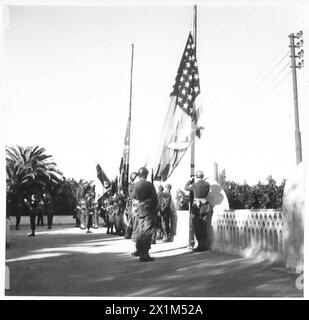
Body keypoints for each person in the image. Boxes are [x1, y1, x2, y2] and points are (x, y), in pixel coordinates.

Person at [132, 167, 158, 262]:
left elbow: (133, 197)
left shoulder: (135, 185)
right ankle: (145, 254)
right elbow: (155, 199)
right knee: (147, 232)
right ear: (146, 175)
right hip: (148, 210)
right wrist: (154, 208)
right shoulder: (149, 185)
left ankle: (139, 250)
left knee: (140, 231)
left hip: (139, 210)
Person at [184, 170, 212, 251]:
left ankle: (200, 245)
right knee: (204, 226)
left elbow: (185, 188)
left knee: (197, 226)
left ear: (196, 176)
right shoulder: (207, 184)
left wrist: (190, 180)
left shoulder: (195, 185)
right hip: (205, 206)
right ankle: (205, 244)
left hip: (197, 207)